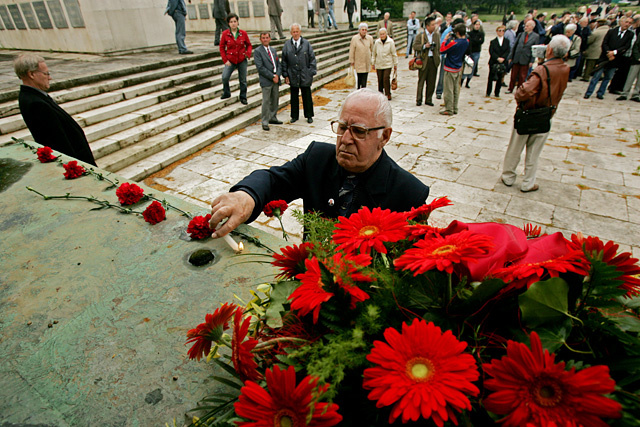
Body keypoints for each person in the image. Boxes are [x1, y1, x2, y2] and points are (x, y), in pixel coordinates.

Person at [207, 88, 430, 238]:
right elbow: (274, 180)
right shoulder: (317, 159)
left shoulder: (409, 194)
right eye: (342, 127)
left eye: (359, 131)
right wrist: (247, 196)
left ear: (385, 136)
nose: (345, 139)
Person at [501, 35, 571, 193]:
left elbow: (524, 92)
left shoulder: (542, 70)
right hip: (547, 113)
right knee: (534, 151)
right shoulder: (565, 68)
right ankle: (528, 182)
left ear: (550, 49)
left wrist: (520, 93)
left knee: (515, 148)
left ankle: (508, 176)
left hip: (529, 113)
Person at [15, 54, 96, 166]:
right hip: (76, 163)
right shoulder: (36, 103)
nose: (50, 77)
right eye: (46, 73)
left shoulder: (36, 96)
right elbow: (58, 143)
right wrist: (77, 167)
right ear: (31, 74)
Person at [584, 16, 633, 99]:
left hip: (616, 58)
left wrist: (614, 53)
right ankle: (589, 92)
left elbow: (626, 46)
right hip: (604, 57)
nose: (627, 24)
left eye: (629, 23)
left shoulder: (630, 34)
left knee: (608, 77)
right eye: (626, 22)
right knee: (596, 76)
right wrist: (608, 52)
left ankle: (600, 93)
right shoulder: (611, 31)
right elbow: (604, 43)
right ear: (621, 22)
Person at [282, 23, 317, 123]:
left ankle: (309, 115)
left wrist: (311, 72)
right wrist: (285, 74)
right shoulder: (287, 45)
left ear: (300, 32)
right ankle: (294, 116)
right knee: (294, 97)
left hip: (304, 74)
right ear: (291, 33)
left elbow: (312, 58)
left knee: (307, 96)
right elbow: (284, 61)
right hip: (293, 74)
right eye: (293, 32)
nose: (295, 33)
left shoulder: (306, 44)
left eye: (297, 31)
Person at [220, 13, 252, 104]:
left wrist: (247, 53)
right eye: (231, 22)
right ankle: (226, 92)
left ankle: (243, 96)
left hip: (241, 59)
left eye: (235, 21)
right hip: (231, 59)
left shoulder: (243, 33)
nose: (233, 23)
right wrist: (225, 60)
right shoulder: (225, 34)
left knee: (243, 80)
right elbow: (222, 47)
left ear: (238, 22)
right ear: (228, 24)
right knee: (225, 77)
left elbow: (249, 45)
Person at [253, 33, 282, 131]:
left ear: (270, 38)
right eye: (263, 38)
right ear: (261, 39)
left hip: (275, 79)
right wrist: (272, 76)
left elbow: (278, 64)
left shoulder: (273, 50)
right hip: (267, 80)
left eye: (267, 38)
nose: (265, 40)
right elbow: (260, 67)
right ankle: (265, 121)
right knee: (266, 101)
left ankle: (273, 117)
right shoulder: (258, 51)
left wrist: (278, 74)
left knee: (275, 99)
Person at [439, 23, 469, 116]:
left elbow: (442, 50)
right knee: (456, 89)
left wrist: (445, 39)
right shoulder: (466, 41)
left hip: (450, 67)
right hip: (458, 67)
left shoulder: (454, 43)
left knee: (449, 90)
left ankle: (449, 109)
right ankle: (455, 107)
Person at [413, 16, 440, 106]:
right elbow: (415, 46)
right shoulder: (421, 35)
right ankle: (419, 99)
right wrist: (424, 46)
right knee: (421, 81)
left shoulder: (436, 35)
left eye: (435, 24)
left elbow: (439, 48)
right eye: (432, 25)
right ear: (427, 26)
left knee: (431, 82)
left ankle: (428, 99)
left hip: (433, 60)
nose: (434, 26)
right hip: (424, 60)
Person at [507, 20, 539, 93]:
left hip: (526, 58)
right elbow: (514, 46)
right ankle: (510, 88)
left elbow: (534, 50)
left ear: (532, 27)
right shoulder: (521, 34)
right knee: (513, 75)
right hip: (517, 57)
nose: (525, 27)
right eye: (525, 26)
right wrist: (511, 57)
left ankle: (519, 90)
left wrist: (532, 61)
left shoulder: (535, 36)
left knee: (522, 76)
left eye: (527, 26)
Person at [616, 22, 640, 102]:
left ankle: (636, 94)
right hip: (637, 60)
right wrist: (637, 57)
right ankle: (624, 93)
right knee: (630, 77)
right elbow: (636, 46)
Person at [372, 27, 398, 100]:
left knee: (386, 78)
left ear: (386, 34)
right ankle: (380, 93)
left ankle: (388, 93)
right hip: (379, 63)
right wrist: (373, 62)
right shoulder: (377, 42)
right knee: (380, 79)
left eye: (383, 34)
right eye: (381, 34)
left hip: (387, 63)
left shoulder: (390, 42)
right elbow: (374, 53)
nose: (382, 35)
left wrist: (395, 64)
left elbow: (393, 53)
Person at [486, 25, 510, 97]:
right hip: (494, 61)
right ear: (497, 31)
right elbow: (491, 51)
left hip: (503, 61)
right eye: (500, 30)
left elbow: (507, 51)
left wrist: (503, 58)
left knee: (500, 78)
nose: (501, 32)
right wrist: (497, 58)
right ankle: (488, 92)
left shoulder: (506, 41)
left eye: (503, 31)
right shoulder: (493, 41)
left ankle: (497, 92)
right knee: (490, 77)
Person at [349, 23, 374, 89]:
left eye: (365, 30)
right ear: (359, 30)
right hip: (358, 61)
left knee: (364, 79)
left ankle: (364, 90)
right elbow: (352, 50)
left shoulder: (369, 38)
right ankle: (358, 90)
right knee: (359, 78)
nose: (364, 31)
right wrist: (351, 60)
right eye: (362, 29)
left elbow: (372, 49)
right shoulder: (355, 38)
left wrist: (372, 60)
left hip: (366, 61)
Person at [462, 20, 485, 88]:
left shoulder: (481, 33)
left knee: (473, 67)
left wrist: (474, 41)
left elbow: (481, 41)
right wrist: (476, 40)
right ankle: (462, 80)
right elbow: (470, 41)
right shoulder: (470, 33)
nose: (477, 26)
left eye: (478, 25)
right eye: (476, 25)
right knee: (466, 66)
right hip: (469, 51)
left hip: (476, 51)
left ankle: (468, 82)